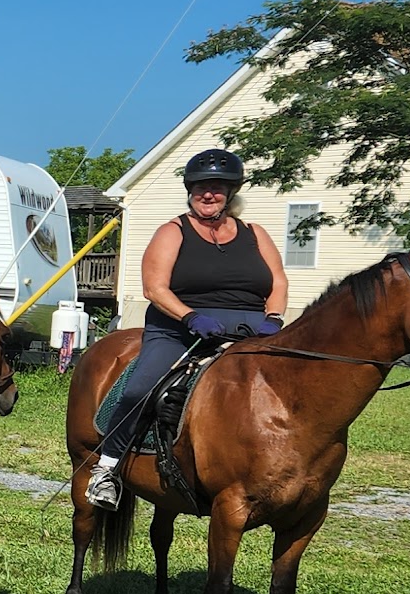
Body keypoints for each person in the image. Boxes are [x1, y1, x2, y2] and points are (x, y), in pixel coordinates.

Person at [84, 148, 287, 509]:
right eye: (201, 188)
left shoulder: (255, 233)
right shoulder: (173, 231)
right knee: (139, 389)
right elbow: (154, 288)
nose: (209, 194)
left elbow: (278, 281)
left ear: (231, 192)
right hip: (180, 329)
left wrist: (273, 319)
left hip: (251, 329)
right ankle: (107, 468)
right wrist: (191, 317)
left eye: (218, 188)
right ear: (189, 191)